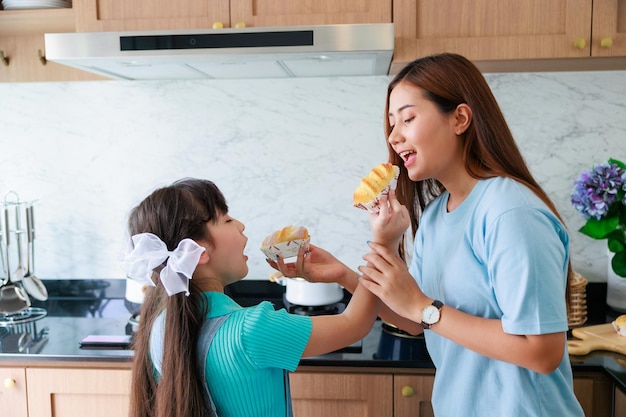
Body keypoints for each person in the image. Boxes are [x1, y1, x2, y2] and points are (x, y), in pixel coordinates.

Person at [273, 53, 585, 417]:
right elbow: (416, 319)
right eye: (391, 123)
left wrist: (423, 307)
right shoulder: (437, 214)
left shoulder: (511, 213)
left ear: (460, 118)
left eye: (407, 118)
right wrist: (345, 276)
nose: (394, 135)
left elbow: (542, 352)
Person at [121, 178, 380, 417]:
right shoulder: (253, 329)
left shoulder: (158, 326)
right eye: (227, 219)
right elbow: (354, 324)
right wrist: (383, 241)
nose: (241, 224)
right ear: (198, 252)